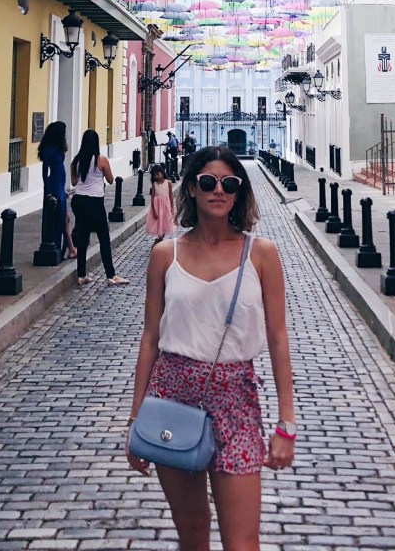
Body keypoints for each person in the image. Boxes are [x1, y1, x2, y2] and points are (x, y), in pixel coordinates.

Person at [126, 147, 296, 551]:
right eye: (208, 182)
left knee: (242, 543)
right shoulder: (165, 255)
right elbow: (150, 338)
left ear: (239, 192)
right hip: (173, 399)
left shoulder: (262, 254)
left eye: (229, 184)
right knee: (192, 533)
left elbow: (278, 338)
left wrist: (286, 424)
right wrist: (136, 417)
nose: (218, 190)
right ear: (192, 188)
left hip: (236, 402)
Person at [70, 129, 129, 288]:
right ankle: (111, 275)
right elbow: (110, 179)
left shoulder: (76, 161)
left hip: (78, 200)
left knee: (83, 239)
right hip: (94, 202)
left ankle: (81, 275)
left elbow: (74, 182)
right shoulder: (101, 160)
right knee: (103, 238)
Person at [38, 121, 75, 259]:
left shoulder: (57, 147)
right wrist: (48, 190)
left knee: (64, 217)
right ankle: (64, 247)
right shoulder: (49, 149)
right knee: (60, 217)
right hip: (54, 185)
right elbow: (45, 171)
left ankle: (67, 248)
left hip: (60, 184)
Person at [146, 164, 174, 246]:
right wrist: (154, 210)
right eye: (155, 175)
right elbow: (152, 198)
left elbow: (171, 196)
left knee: (165, 224)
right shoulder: (154, 184)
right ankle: (159, 240)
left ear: (162, 172)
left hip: (165, 206)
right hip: (157, 207)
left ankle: (159, 240)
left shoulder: (168, 183)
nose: (157, 176)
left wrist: (172, 207)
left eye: (158, 174)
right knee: (159, 224)